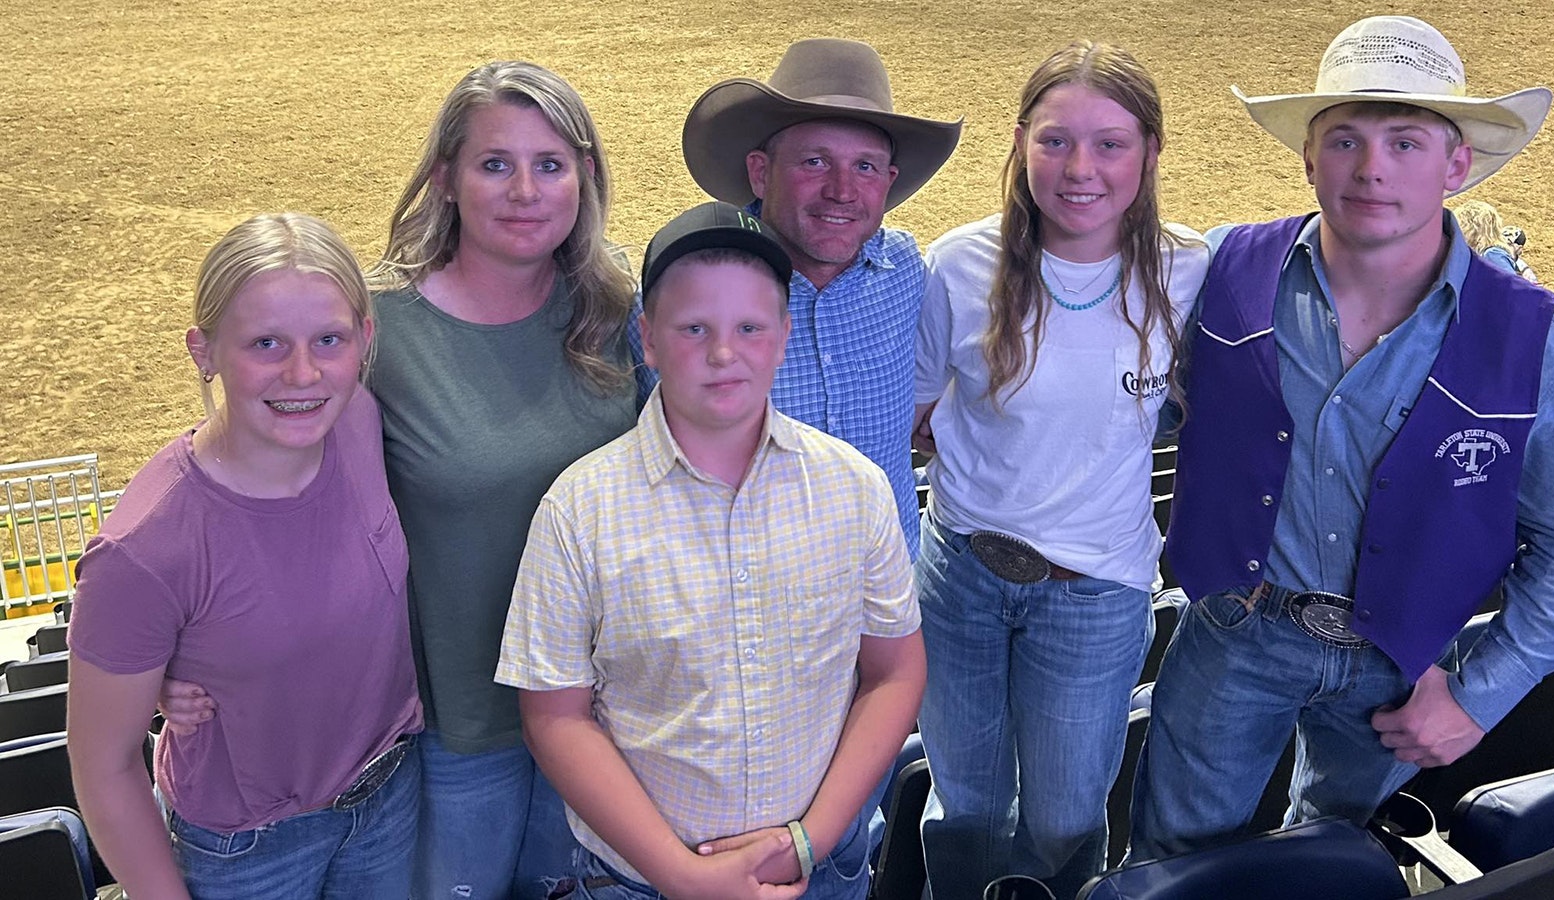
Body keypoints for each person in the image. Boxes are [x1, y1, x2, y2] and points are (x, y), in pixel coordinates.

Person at [159, 61, 639, 899]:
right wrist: (177, 646)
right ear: (446, 177)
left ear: (585, 176)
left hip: (610, 709)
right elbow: (256, 484)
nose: (524, 189)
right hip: (461, 727)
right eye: (495, 164)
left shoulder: (614, 308)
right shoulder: (377, 332)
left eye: (550, 164)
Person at [1128, 15, 1554, 861]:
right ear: (1309, 158)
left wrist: (1478, 696)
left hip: (1405, 662)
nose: (1372, 168)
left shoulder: (1549, 346)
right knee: (1173, 864)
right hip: (1237, 630)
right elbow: (1141, 409)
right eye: (1344, 138)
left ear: (1458, 164)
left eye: (1407, 142)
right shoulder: (1226, 272)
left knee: (1336, 861)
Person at [497, 201, 927, 900]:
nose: (724, 354)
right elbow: (555, 716)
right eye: (694, 328)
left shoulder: (856, 489)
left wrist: (809, 839)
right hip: (640, 882)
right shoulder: (578, 512)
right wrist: (682, 876)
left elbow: (894, 673)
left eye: (750, 328)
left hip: (823, 867)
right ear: (649, 340)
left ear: (783, 336)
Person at [911, 42, 1207, 898]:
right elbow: (920, 412)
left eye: (1110, 143)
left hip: (1097, 591)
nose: (1081, 169)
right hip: (959, 576)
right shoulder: (958, 264)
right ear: (1020, 143)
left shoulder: (1190, 271)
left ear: (1151, 152)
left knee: (1067, 816)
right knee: (962, 806)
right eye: (1055, 141)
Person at [67, 212, 423, 900]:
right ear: (204, 352)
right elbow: (103, 766)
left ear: (365, 340)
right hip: (247, 850)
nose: (303, 372)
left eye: (329, 339)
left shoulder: (357, 421)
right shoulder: (144, 550)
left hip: (389, 796)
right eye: (265, 343)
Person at [633, 38, 963, 555]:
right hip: (744, 602)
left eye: (866, 167)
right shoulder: (685, 297)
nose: (842, 191)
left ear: (889, 180)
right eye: (814, 162)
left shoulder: (905, 272)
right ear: (760, 172)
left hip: (886, 592)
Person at [1454, 199, 1520, 275]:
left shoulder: (1492, 254)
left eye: (1461, 226)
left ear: (1472, 228)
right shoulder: (1487, 254)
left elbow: (1509, 284)